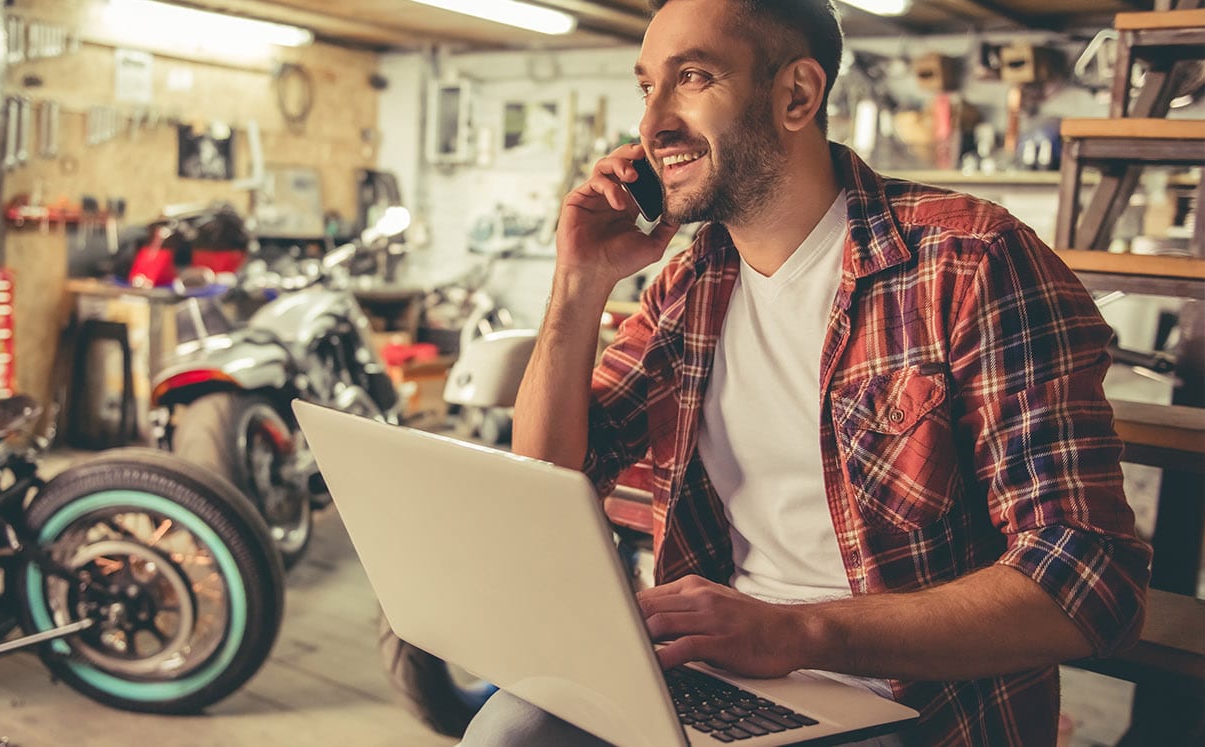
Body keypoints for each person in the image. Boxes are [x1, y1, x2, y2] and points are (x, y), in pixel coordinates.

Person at [461, 0, 1152, 744]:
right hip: (731, 676)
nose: (652, 123)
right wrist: (578, 280)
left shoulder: (972, 261)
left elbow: (1091, 580)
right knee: (513, 728)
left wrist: (799, 632)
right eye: (646, 87)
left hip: (916, 704)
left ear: (797, 95)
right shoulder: (689, 287)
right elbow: (551, 478)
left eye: (691, 77)